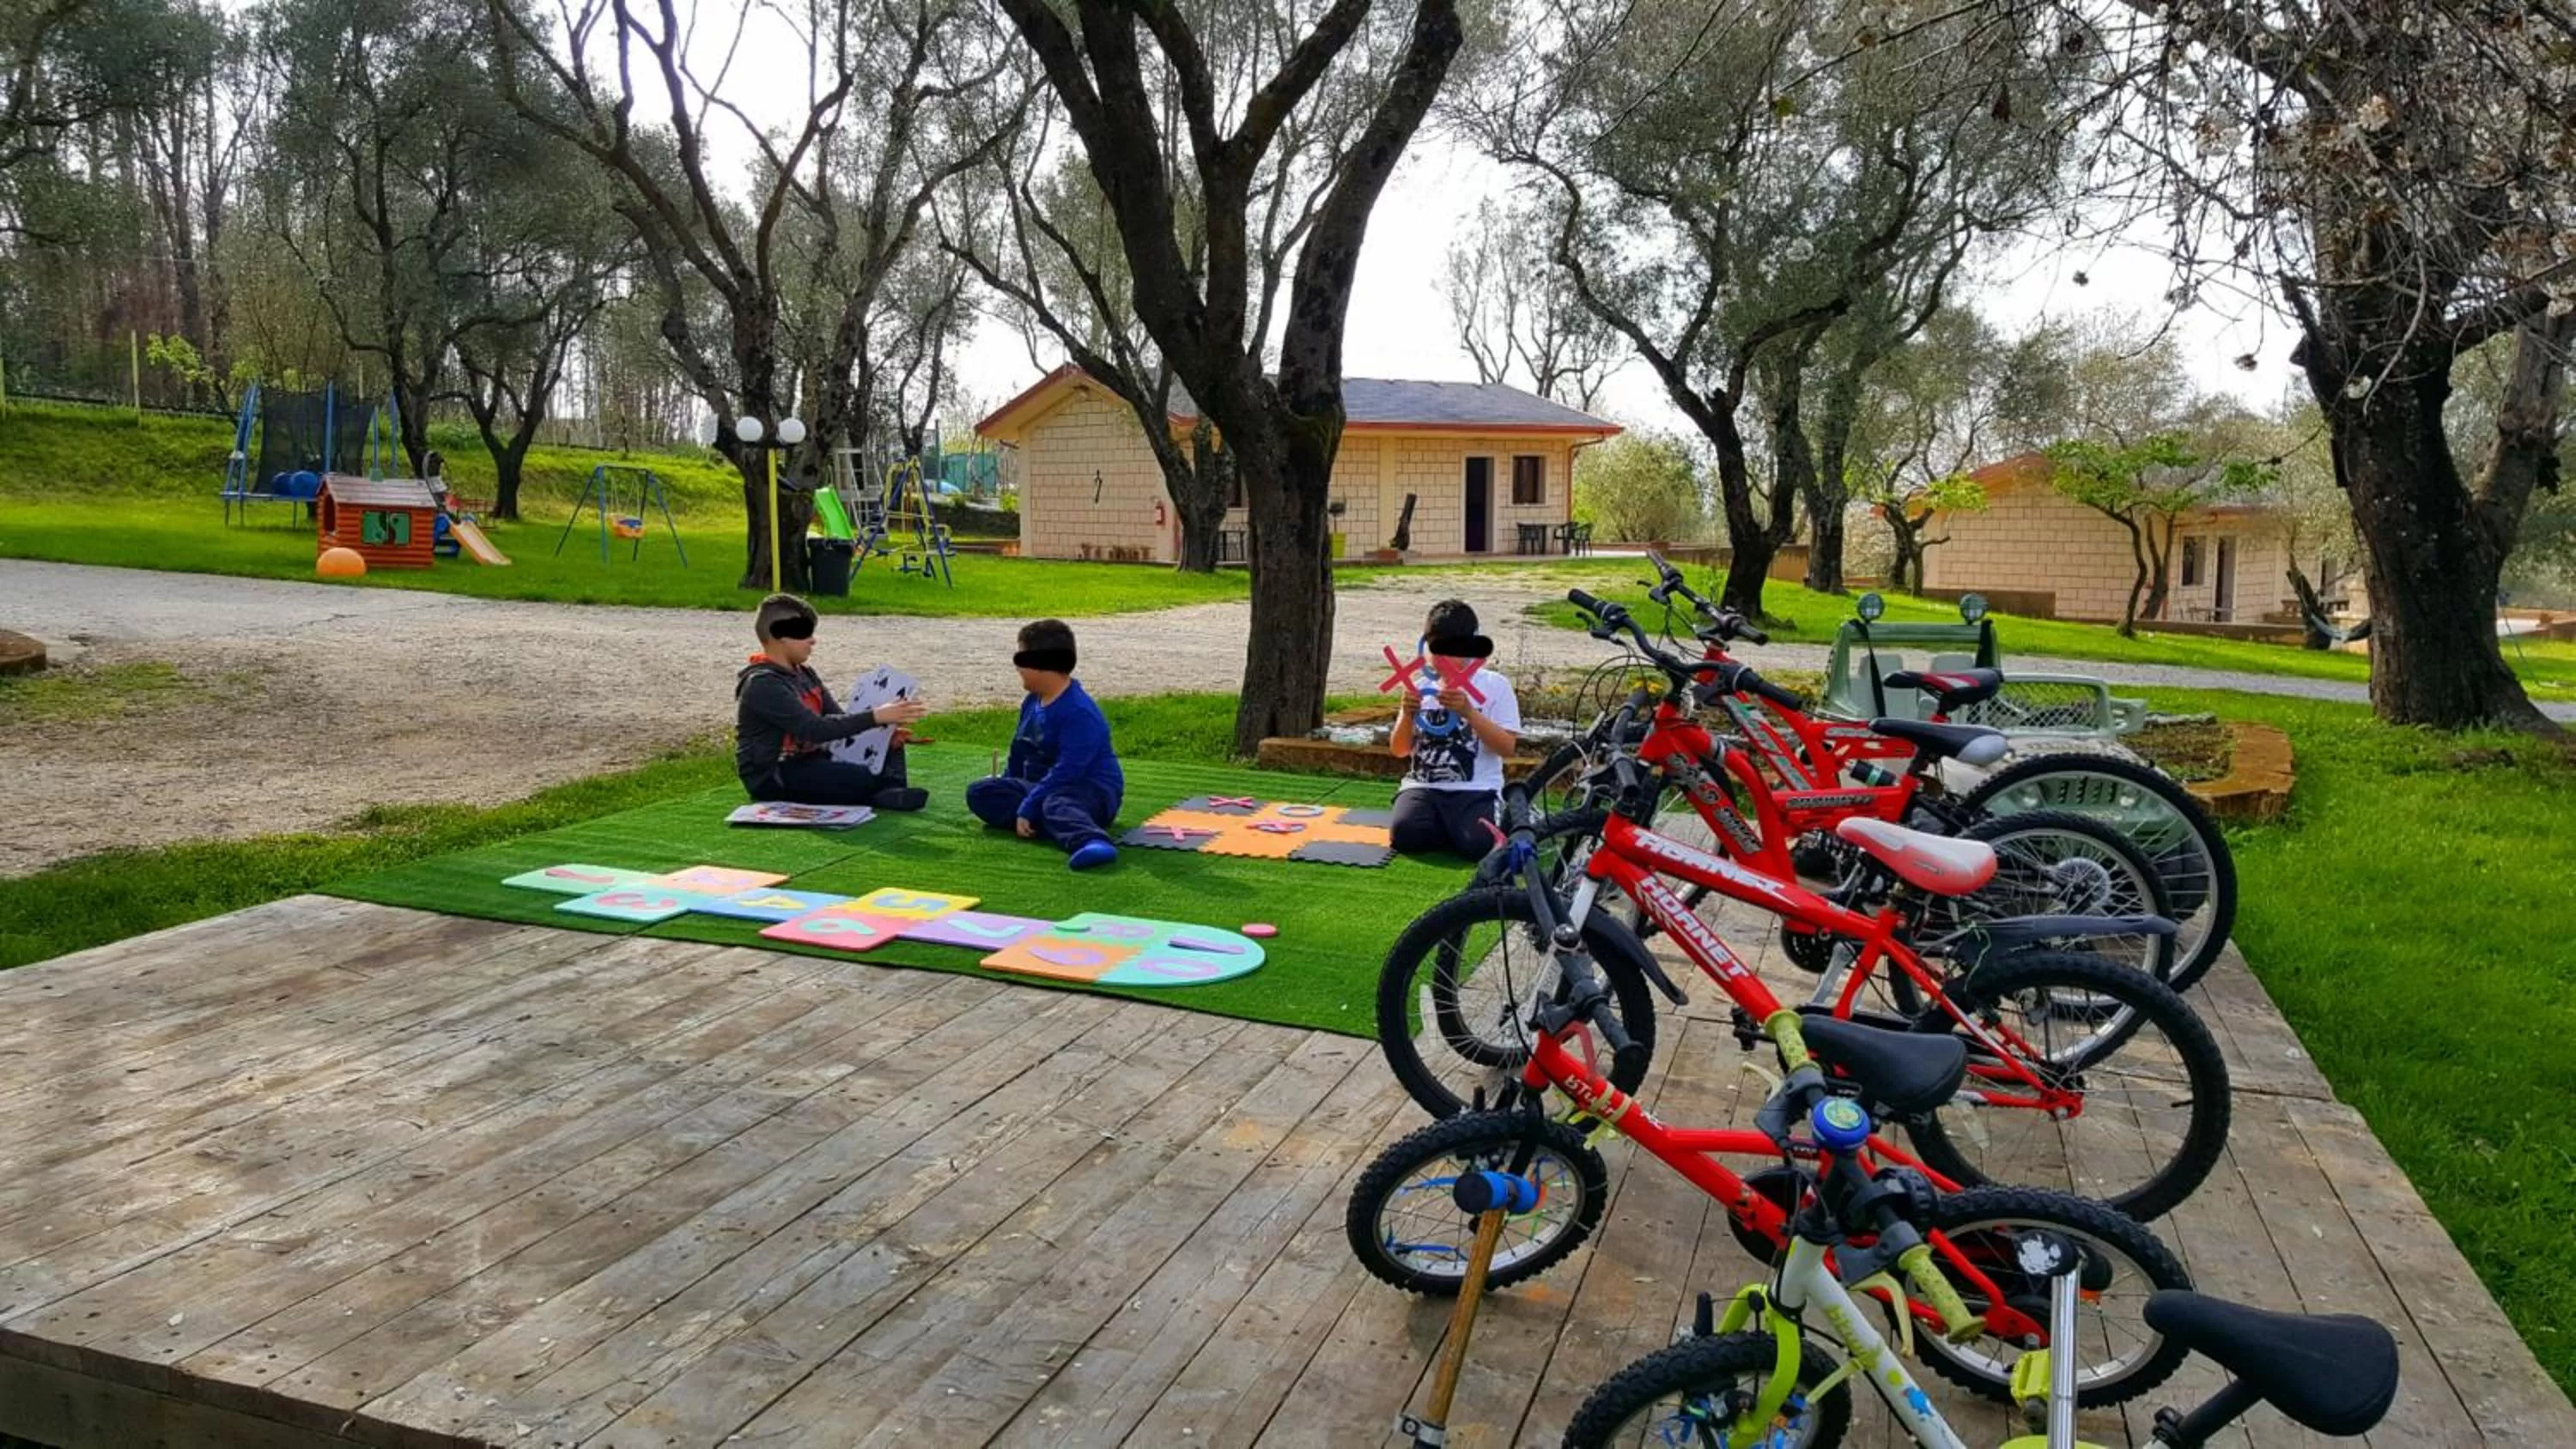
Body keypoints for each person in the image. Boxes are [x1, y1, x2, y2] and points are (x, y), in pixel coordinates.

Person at [733, 593, 930, 810]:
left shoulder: (805, 674)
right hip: (776, 774)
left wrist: (883, 734)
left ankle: (887, 790)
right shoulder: (763, 683)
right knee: (856, 777)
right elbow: (814, 729)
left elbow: (838, 719)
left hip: (813, 760)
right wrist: (876, 716)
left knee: (885, 745)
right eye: (804, 633)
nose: (813, 640)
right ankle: (878, 792)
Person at [965, 619, 1126, 870]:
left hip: (1088, 791)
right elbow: (1019, 751)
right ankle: (1054, 825)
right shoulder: (1032, 702)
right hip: (1042, 787)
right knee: (979, 792)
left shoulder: (1079, 712)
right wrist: (1007, 782)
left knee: (1055, 803)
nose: (1018, 667)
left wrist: (1029, 805)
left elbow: (1069, 771)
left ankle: (1091, 840)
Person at [1388, 599, 1520, 860]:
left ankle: (1477, 823)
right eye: (1435, 648)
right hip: (1424, 787)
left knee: (1478, 844)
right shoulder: (1419, 688)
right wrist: (1407, 715)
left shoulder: (1495, 685)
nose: (1441, 658)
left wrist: (1469, 713)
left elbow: (1507, 747)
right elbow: (1399, 750)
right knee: (1405, 834)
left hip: (1478, 789)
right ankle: (1451, 827)